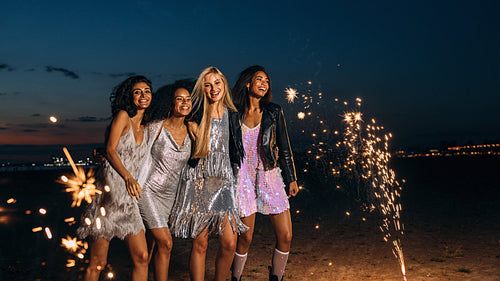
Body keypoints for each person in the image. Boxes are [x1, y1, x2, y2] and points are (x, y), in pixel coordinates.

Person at [169, 66, 248, 281]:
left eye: (217, 83)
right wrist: (188, 122)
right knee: (201, 242)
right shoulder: (195, 113)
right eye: (208, 85)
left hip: (223, 181)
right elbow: (173, 119)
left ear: (224, 85)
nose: (213, 88)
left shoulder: (234, 116)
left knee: (230, 243)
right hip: (199, 180)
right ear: (202, 89)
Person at [77, 76, 152, 281]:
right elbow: (110, 150)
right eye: (138, 91)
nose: (143, 95)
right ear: (129, 96)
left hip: (130, 200)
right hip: (109, 196)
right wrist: (128, 177)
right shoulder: (122, 116)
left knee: (142, 257)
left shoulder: (147, 128)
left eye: (147, 91)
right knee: (97, 263)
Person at [229, 66, 298, 281]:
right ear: (248, 83)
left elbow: (284, 147)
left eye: (267, 81)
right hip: (243, 179)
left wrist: (291, 178)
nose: (264, 84)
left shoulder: (273, 111)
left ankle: (276, 277)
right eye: (259, 79)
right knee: (245, 238)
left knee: (285, 236)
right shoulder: (233, 114)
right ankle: (235, 277)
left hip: (269, 176)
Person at [136, 81, 194, 281]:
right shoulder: (155, 128)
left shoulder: (192, 131)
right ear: (171, 103)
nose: (184, 102)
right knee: (166, 243)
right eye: (180, 99)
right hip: (149, 191)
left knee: (152, 245)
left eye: (188, 99)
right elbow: (133, 147)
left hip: (172, 197)